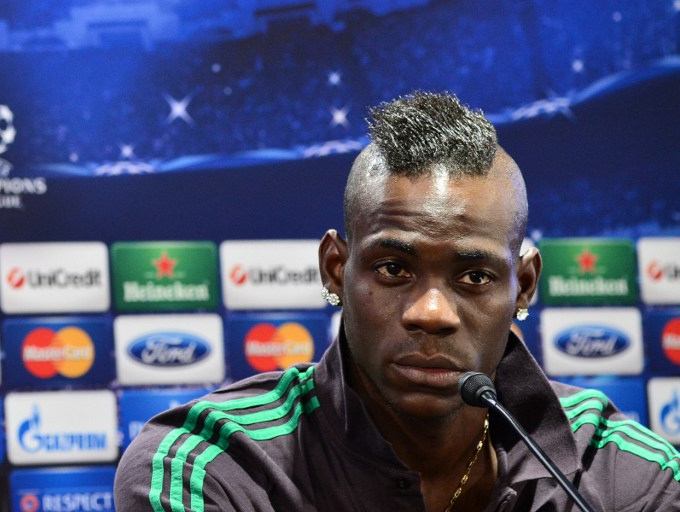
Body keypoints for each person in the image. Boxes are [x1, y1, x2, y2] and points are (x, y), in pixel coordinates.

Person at [114, 91, 680, 511]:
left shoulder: (622, 470)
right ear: (336, 270)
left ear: (524, 286)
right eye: (393, 268)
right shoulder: (208, 466)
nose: (431, 313)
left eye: (475, 276)